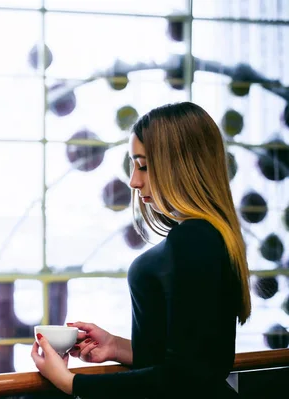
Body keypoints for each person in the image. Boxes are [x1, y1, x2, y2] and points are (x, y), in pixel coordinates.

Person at [31, 102, 251, 398]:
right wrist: (116, 347)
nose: (134, 181)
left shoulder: (194, 240)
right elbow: (191, 359)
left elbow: (185, 378)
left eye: (144, 166)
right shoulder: (209, 237)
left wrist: (71, 382)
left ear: (181, 164)